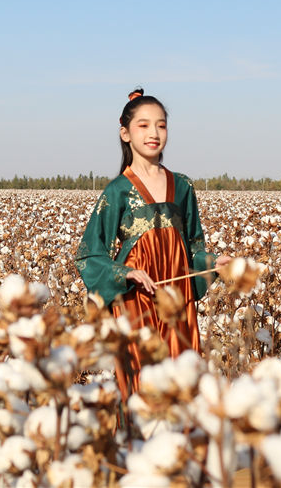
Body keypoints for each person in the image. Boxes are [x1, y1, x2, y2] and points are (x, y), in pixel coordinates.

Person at [75, 88, 231, 400]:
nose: (154, 133)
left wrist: (213, 263)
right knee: (141, 386)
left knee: (182, 380)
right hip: (136, 301)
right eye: (143, 125)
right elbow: (89, 253)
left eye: (161, 125)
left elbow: (194, 246)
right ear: (125, 133)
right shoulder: (117, 190)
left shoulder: (183, 186)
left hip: (178, 300)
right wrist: (124, 274)